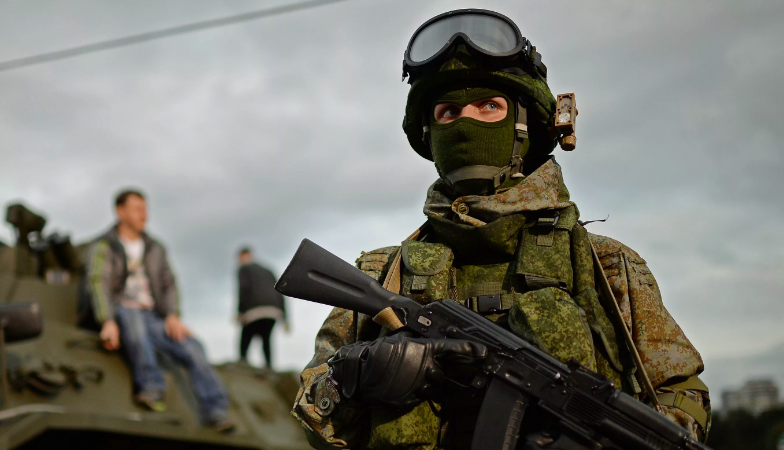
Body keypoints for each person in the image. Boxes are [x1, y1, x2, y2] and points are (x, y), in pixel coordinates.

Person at [291, 9, 711, 449]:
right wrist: (357, 375)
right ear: (429, 133)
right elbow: (314, 409)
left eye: (489, 106)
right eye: (448, 111)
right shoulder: (383, 272)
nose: (465, 124)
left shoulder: (604, 266)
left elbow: (680, 391)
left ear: (524, 126)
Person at [87, 189, 234, 431]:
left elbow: (168, 283)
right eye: (137, 209)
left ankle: (216, 409)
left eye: (145, 209)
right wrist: (107, 320)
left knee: (192, 347)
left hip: (153, 316)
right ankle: (152, 388)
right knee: (135, 328)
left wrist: (172, 315)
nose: (143, 214)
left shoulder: (155, 247)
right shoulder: (105, 246)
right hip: (122, 310)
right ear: (120, 212)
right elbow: (98, 282)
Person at [236, 247, 288, 369]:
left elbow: (243, 289)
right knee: (266, 339)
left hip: (253, 311)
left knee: (245, 337)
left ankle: (242, 363)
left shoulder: (244, 269)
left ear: (243, 256)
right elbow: (280, 292)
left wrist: (240, 311)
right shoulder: (268, 270)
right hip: (273, 311)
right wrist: (285, 317)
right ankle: (269, 366)